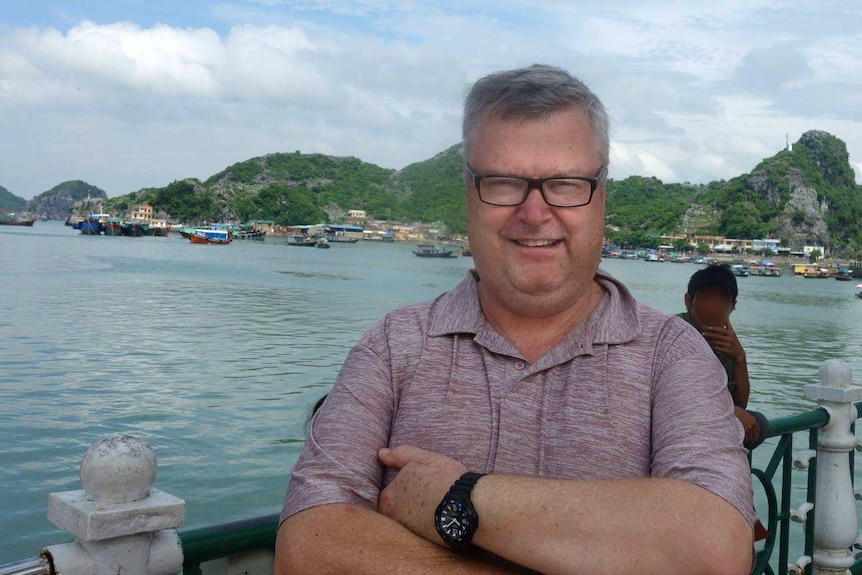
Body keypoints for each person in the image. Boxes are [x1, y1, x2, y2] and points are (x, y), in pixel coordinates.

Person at [275, 64, 755, 575]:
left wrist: (458, 499)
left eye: (566, 184)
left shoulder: (672, 353)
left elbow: (716, 548)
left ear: (600, 197)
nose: (534, 212)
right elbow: (308, 547)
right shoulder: (394, 346)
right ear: (468, 195)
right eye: (503, 183)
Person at [678, 263, 765, 448]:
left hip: (711, 422)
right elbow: (676, 397)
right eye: (707, 299)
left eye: (722, 301)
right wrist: (729, 411)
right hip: (677, 421)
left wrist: (739, 358)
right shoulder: (675, 333)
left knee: (759, 424)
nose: (714, 308)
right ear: (688, 301)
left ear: (732, 306)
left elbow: (741, 402)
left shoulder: (723, 340)